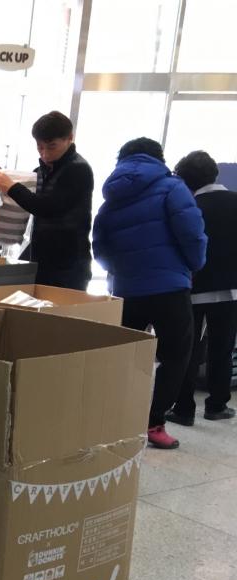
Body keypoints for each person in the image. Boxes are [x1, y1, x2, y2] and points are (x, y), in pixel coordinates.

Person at [92, 137, 207, 450]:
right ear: (159, 158)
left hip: (126, 290)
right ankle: (154, 423)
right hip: (170, 288)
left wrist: (121, 271)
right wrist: (193, 265)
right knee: (176, 355)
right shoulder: (173, 188)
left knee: (123, 355)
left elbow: (99, 246)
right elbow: (193, 234)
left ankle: (113, 418)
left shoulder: (112, 197)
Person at [0, 111, 94, 290]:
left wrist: (10, 186)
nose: (45, 154)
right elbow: (28, 191)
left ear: (69, 138)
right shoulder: (44, 169)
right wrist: (0, 174)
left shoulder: (77, 169)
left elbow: (47, 208)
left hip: (68, 266)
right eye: (40, 147)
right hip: (43, 258)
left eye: (52, 146)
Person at [169, 150, 237, 424]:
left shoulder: (189, 207)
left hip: (192, 288)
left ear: (185, 181)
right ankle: (217, 405)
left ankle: (183, 409)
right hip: (231, 289)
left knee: (188, 350)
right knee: (222, 348)